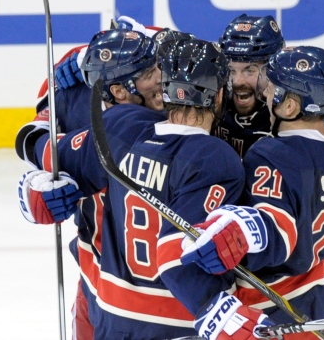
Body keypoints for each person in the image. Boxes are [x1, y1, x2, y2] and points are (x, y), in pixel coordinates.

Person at [18, 38, 275, 340]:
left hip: (113, 312)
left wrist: (34, 185)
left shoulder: (118, 124)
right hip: (182, 319)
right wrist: (217, 310)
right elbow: (177, 251)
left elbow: (48, 153)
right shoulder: (219, 159)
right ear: (219, 96)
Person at [180, 46, 324, 340]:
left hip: (268, 299)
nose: (265, 95)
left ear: (290, 106)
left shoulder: (273, 154)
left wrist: (245, 226)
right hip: (320, 286)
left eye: (272, 90)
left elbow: (277, 226)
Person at [17, 27, 164, 340]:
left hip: (176, 294)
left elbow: (186, 44)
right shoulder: (81, 112)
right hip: (99, 286)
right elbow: (33, 138)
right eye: (151, 71)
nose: (162, 77)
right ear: (120, 90)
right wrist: (38, 188)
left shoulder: (184, 104)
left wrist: (86, 51)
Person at [214, 13, 285, 158]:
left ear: (272, 70)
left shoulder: (291, 113)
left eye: (250, 70)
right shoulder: (210, 102)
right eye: (231, 70)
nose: (238, 81)